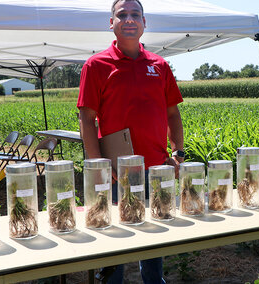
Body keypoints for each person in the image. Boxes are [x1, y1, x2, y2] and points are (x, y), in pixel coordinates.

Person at [77, 0, 184, 283]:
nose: (129, 19)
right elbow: (87, 118)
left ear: (144, 23)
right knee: (114, 237)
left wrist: (178, 153)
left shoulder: (159, 65)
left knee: (154, 237)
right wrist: (96, 164)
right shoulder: (96, 65)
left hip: (157, 169)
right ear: (110, 23)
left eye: (135, 14)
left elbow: (173, 113)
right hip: (115, 172)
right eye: (121, 15)